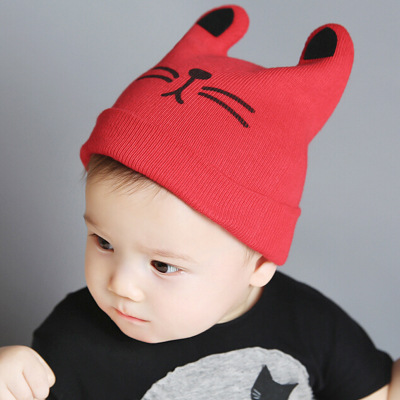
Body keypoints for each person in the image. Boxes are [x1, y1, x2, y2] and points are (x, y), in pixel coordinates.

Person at [0, 5, 398, 399]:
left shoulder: (311, 325)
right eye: (104, 242)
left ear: (260, 263)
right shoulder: (73, 343)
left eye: (163, 265)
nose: (121, 284)